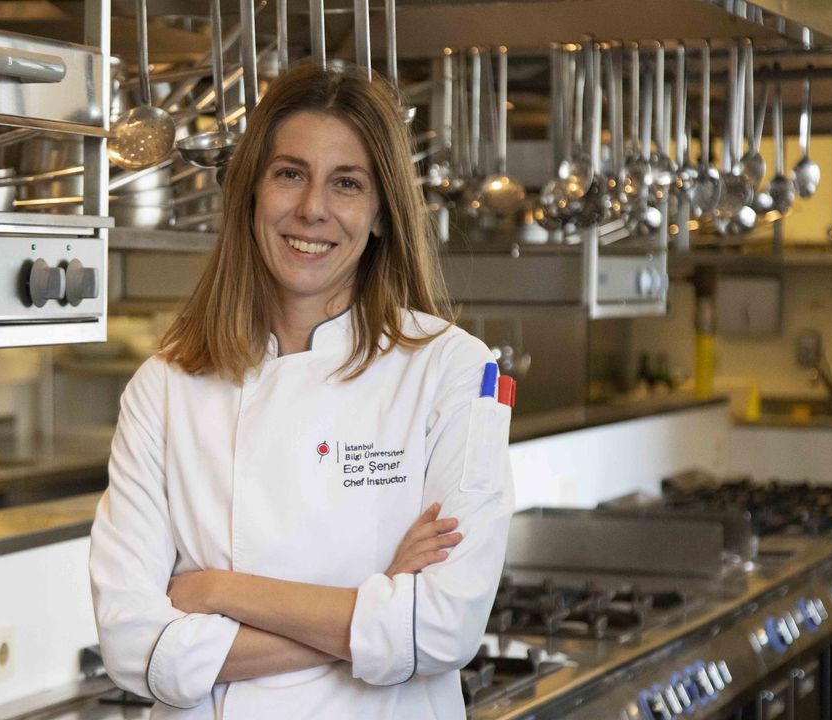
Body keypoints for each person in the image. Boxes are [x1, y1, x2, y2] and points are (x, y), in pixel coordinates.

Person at [89, 62, 515, 719]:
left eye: (347, 183)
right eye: (290, 174)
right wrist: (377, 606)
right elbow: (133, 648)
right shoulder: (166, 386)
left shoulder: (450, 369)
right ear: (252, 194)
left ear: (380, 213)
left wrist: (219, 590)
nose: (313, 208)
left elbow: (441, 630)